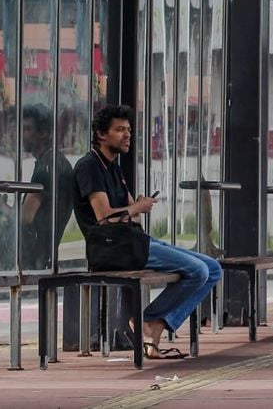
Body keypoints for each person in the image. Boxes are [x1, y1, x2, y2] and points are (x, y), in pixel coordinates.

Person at [73, 104, 221, 360]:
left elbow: (131, 211)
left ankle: (153, 323)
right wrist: (136, 207)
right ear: (101, 134)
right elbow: (104, 217)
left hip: (132, 241)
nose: (127, 135)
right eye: (119, 130)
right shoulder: (89, 166)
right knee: (198, 271)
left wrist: (136, 206)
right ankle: (149, 322)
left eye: (128, 130)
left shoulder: (114, 167)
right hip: (113, 248)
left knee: (214, 268)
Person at [20, 104, 75, 269]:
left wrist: (3, 209)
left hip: (33, 254)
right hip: (46, 251)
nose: (22, 135)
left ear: (43, 133)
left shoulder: (46, 168)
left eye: (27, 129)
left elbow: (24, 218)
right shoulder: (58, 162)